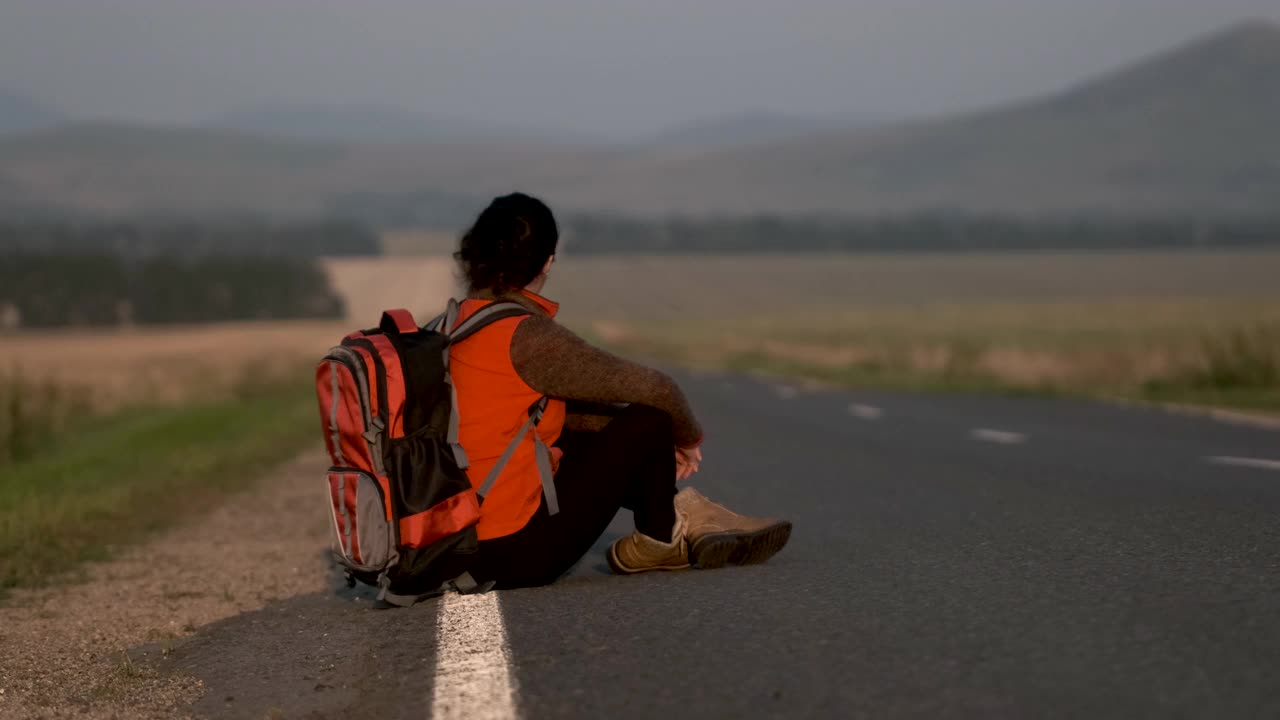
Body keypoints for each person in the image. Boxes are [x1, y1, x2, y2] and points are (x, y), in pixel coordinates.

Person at [449, 192, 791, 589]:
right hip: (511, 553)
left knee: (572, 427)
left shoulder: (450, 327)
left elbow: (547, 415)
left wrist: (651, 454)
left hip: (452, 546)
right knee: (648, 420)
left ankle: (684, 515)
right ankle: (667, 533)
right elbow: (656, 388)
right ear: (548, 261)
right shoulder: (525, 335)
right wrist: (685, 437)